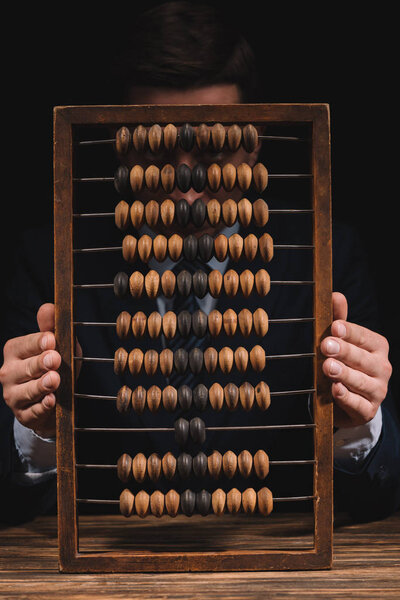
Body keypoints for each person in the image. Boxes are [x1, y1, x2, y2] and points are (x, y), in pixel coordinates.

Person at [0, 1, 399, 525]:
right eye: (158, 151)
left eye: (213, 151)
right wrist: (36, 428)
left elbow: (384, 491)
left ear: (252, 146)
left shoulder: (327, 256)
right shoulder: (51, 260)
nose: (187, 193)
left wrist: (357, 424)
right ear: (122, 148)